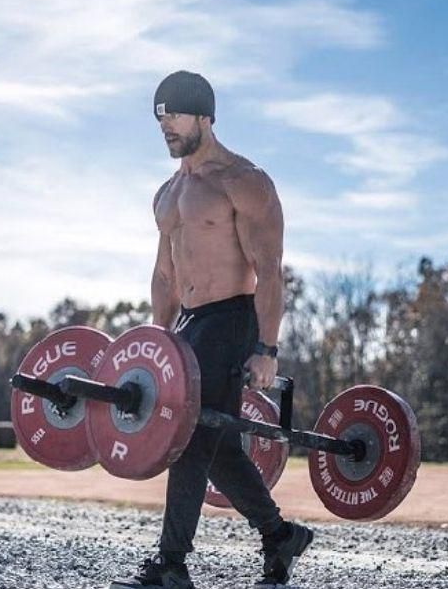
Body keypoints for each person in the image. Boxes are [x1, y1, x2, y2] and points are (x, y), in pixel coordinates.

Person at [110, 71, 313, 589]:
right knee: (218, 445)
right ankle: (280, 536)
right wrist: (156, 344)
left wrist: (267, 347)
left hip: (232, 319)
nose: (165, 127)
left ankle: (171, 565)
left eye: (174, 115)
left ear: (204, 116)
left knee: (191, 434)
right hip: (187, 325)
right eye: (159, 118)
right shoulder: (167, 193)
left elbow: (269, 270)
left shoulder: (243, 181)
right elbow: (164, 275)